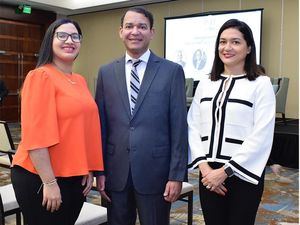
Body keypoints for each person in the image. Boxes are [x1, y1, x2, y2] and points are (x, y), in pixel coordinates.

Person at [95, 6, 188, 225]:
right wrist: (99, 171)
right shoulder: (106, 72)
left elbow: (179, 126)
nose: (135, 31)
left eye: (142, 26)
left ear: (152, 32)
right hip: (115, 173)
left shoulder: (171, 71)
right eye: (129, 26)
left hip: (156, 174)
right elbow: (101, 125)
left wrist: (176, 175)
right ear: (120, 32)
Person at [11, 18, 104, 225]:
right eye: (62, 35)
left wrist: (86, 167)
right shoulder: (40, 76)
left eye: (75, 36)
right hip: (40, 176)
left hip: (72, 175)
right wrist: (50, 182)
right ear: (49, 41)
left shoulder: (78, 80)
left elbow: (82, 129)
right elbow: (36, 136)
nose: (69, 40)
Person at [187, 19, 275, 225]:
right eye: (222, 41)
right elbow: (192, 126)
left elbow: (261, 134)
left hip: (243, 172)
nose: (227, 47)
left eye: (235, 42)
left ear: (249, 48)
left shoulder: (261, 84)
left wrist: (225, 171)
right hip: (208, 173)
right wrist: (205, 168)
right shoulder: (206, 83)